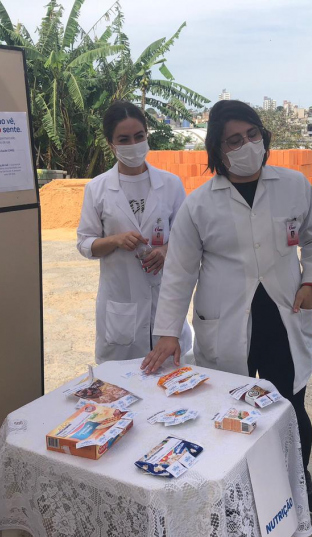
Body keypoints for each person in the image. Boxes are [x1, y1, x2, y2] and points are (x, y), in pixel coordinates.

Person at [141, 100, 312, 512]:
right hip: (226, 324)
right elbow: (179, 271)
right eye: (234, 139)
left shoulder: (294, 185)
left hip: (284, 317)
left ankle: (298, 480)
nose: (247, 144)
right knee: (231, 409)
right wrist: (168, 333)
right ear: (218, 150)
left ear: (264, 136)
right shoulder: (199, 204)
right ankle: (239, 488)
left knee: (289, 407)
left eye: (252, 135)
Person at [77, 101, 192, 364]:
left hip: (164, 299)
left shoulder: (171, 185)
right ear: (111, 144)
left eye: (139, 136)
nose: (133, 144)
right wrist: (114, 240)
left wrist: (165, 250)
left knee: (170, 387)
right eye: (124, 139)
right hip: (121, 301)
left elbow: (186, 238)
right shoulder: (97, 189)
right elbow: (85, 243)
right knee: (122, 388)